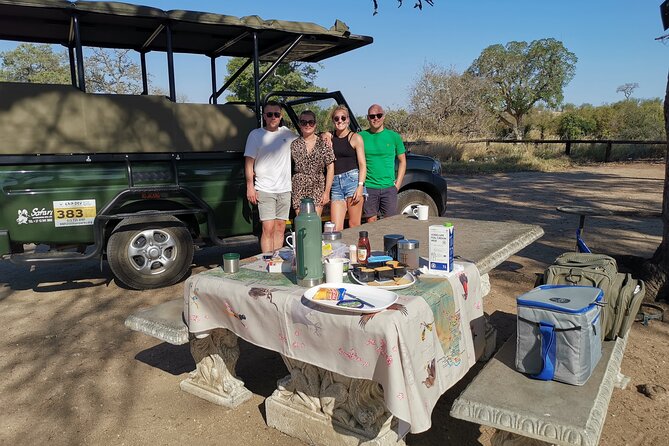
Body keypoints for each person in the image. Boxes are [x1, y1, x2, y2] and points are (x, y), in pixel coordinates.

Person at [244, 101, 296, 253]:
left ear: (281, 116)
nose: (273, 117)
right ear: (264, 116)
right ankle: (267, 259)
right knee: (268, 228)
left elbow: (306, 139)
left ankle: (277, 260)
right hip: (264, 188)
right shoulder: (255, 135)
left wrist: (326, 135)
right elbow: (248, 163)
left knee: (280, 227)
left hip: (285, 189)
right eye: (269, 114)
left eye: (276, 114)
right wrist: (250, 187)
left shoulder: (288, 133)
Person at [359, 104, 406, 222]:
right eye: (372, 116)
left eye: (379, 115)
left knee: (390, 223)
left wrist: (397, 185)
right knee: (371, 222)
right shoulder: (360, 136)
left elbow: (402, 161)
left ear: (383, 117)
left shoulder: (394, 136)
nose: (376, 118)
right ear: (368, 118)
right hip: (369, 186)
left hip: (389, 187)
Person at [329, 105, 367, 231]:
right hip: (336, 184)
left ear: (348, 120)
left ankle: (357, 250)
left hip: (352, 181)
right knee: (335, 228)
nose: (340, 121)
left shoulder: (355, 138)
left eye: (343, 118)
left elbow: (362, 164)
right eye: (336, 118)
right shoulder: (329, 137)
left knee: (354, 225)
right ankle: (339, 251)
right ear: (333, 121)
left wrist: (360, 186)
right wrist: (324, 134)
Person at [291, 110, 335, 216]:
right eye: (303, 122)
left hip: (318, 186)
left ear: (315, 124)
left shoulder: (323, 144)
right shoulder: (294, 144)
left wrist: (326, 192)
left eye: (310, 122)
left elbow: (330, 168)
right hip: (299, 186)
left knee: (315, 222)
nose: (307, 125)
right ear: (299, 124)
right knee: (302, 222)